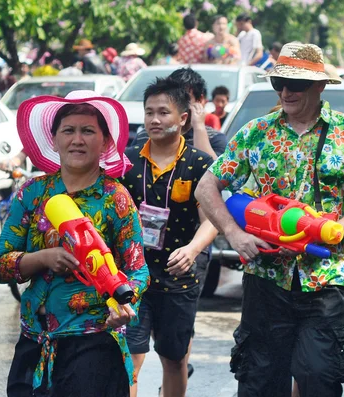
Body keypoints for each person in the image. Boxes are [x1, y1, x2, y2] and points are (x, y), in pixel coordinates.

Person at [195, 42, 344, 397]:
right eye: (278, 83)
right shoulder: (257, 132)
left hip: (324, 279)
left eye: (295, 84)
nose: (285, 92)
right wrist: (234, 234)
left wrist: (334, 229)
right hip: (265, 279)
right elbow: (206, 187)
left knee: (319, 377)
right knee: (260, 382)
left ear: (320, 85)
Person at [0, 90, 149, 396]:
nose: (77, 139)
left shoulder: (115, 198)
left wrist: (125, 304)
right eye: (69, 130)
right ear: (54, 139)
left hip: (94, 344)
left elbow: (138, 270)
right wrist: (42, 258)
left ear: (104, 142)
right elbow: (0, 266)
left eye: (88, 131)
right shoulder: (32, 193)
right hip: (35, 342)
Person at [121, 77, 218, 397]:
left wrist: (192, 249)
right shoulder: (127, 161)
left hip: (180, 278)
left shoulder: (199, 163)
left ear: (183, 119)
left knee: (174, 359)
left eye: (163, 112)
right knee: (128, 359)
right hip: (133, 277)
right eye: (149, 112)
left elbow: (212, 220)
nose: (155, 119)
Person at [132, 68, 228, 160]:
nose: (178, 105)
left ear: (199, 100)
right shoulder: (144, 136)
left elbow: (213, 172)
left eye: (185, 98)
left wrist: (199, 127)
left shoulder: (215, 139)